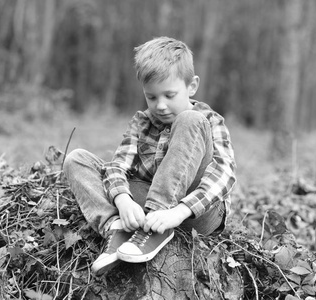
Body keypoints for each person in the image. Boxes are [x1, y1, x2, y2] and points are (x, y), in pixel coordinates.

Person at [63, 36, 236, 275]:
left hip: (196, 212)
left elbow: (225, 173)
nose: (160, 106)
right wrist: (122, 199)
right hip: (145, 202)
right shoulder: (142, 122)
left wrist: (177, 211)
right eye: (151, 97)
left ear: (192, 86)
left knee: (188, 120)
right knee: (76, 159)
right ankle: (118, 229)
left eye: (169, 95)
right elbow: (117, 166)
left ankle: (157, 227)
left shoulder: (207, 120)